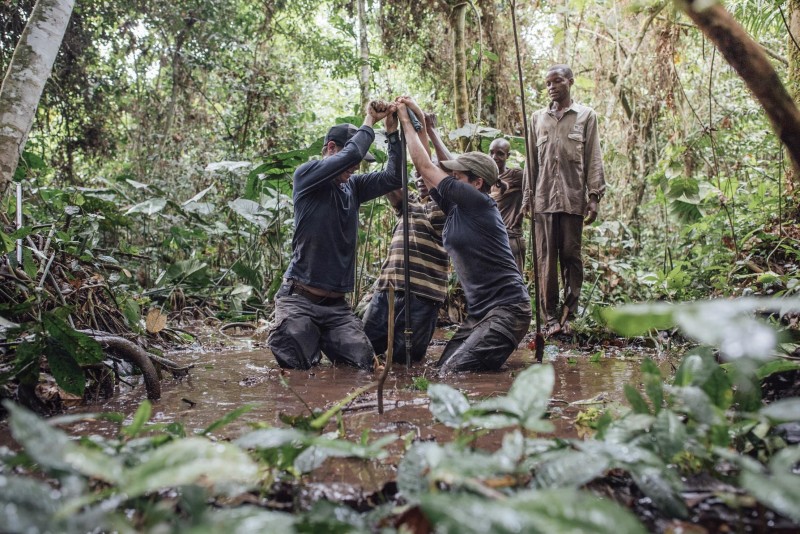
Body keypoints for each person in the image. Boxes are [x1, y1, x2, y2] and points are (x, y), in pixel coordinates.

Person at [395, 96, 532, 374]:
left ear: (476, 183)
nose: (451, 178)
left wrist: (405, 121)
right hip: (480, 315)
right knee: (440, 370)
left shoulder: (478, 202)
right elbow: (433, 164)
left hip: (508, 312)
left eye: (458, 176)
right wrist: (418, 118)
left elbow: (426, 167)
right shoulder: (457, 206)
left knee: (453, 375)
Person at [268, 100, 402, 370]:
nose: (355, 167)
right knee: (296, 369)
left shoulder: (353, 186)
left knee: (362, 367)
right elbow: (351, 156)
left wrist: (392, 134)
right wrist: (369, 120)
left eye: (360, 163)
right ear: (331, 149)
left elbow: (393, 178)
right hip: (298, 300)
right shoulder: (307, 175)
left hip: (336, 309)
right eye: (353, 161)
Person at [523, 64, 605, 337]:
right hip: (543, 200)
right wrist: (527, 197)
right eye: (547, 83)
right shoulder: (537, 119)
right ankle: (549, 318)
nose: (551, 87)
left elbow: (593, 157)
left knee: (571, 255)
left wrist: (594, 196)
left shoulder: (586, 116)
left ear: (570, 82)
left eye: (556, 81)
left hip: (572, 199)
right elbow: (531, 163)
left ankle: (569, 314)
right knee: (546, 259)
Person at [361, 174, 448, 363]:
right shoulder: (410, 205)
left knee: (406, 360)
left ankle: (404, 393)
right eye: (417, 176)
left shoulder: (448, 207)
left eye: (426, 174)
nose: (419, 179)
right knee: (365, 350)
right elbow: (389, 184)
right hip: (388, 289)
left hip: (423, 295)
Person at [489, 137, 526, 274]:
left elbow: (535, 188)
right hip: (492, 239)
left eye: (500, 153)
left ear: (507, 156)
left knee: (514, 285)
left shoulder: (515, 175)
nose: (494, 157)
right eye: (491, 152)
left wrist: (523, 211)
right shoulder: (487, 180)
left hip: (510, 237)